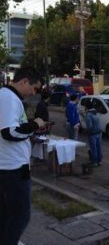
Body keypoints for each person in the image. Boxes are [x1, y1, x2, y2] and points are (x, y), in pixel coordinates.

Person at [0, 67, 46, 245]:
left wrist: (28, 129)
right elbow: (10, 133)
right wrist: (35, 124)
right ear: (24, 81)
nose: (33, 93)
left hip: (9, 166)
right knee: (20, 216)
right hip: (12, 169)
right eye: (34, 88)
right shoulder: (8, 98)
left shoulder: (7, 97)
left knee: (6, 214)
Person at [84, 101, 103, 167]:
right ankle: (99, 161)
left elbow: (89, 126)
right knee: (99, 147)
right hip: (99, 132)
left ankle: (94, 161)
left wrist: (86, 131)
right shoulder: (96, 113)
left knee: (93, 148)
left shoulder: (88, 115)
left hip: (92, 134)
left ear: (86, 107)